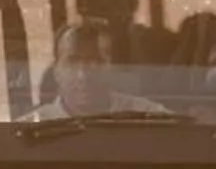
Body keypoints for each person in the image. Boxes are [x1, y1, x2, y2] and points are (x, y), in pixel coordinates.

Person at [36, 17, 169, 120]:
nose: (83, 75)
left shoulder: (148, 118)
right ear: (56, 71)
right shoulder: (30, 129)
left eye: (96, 62)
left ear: (112, 67)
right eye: (72, 62)